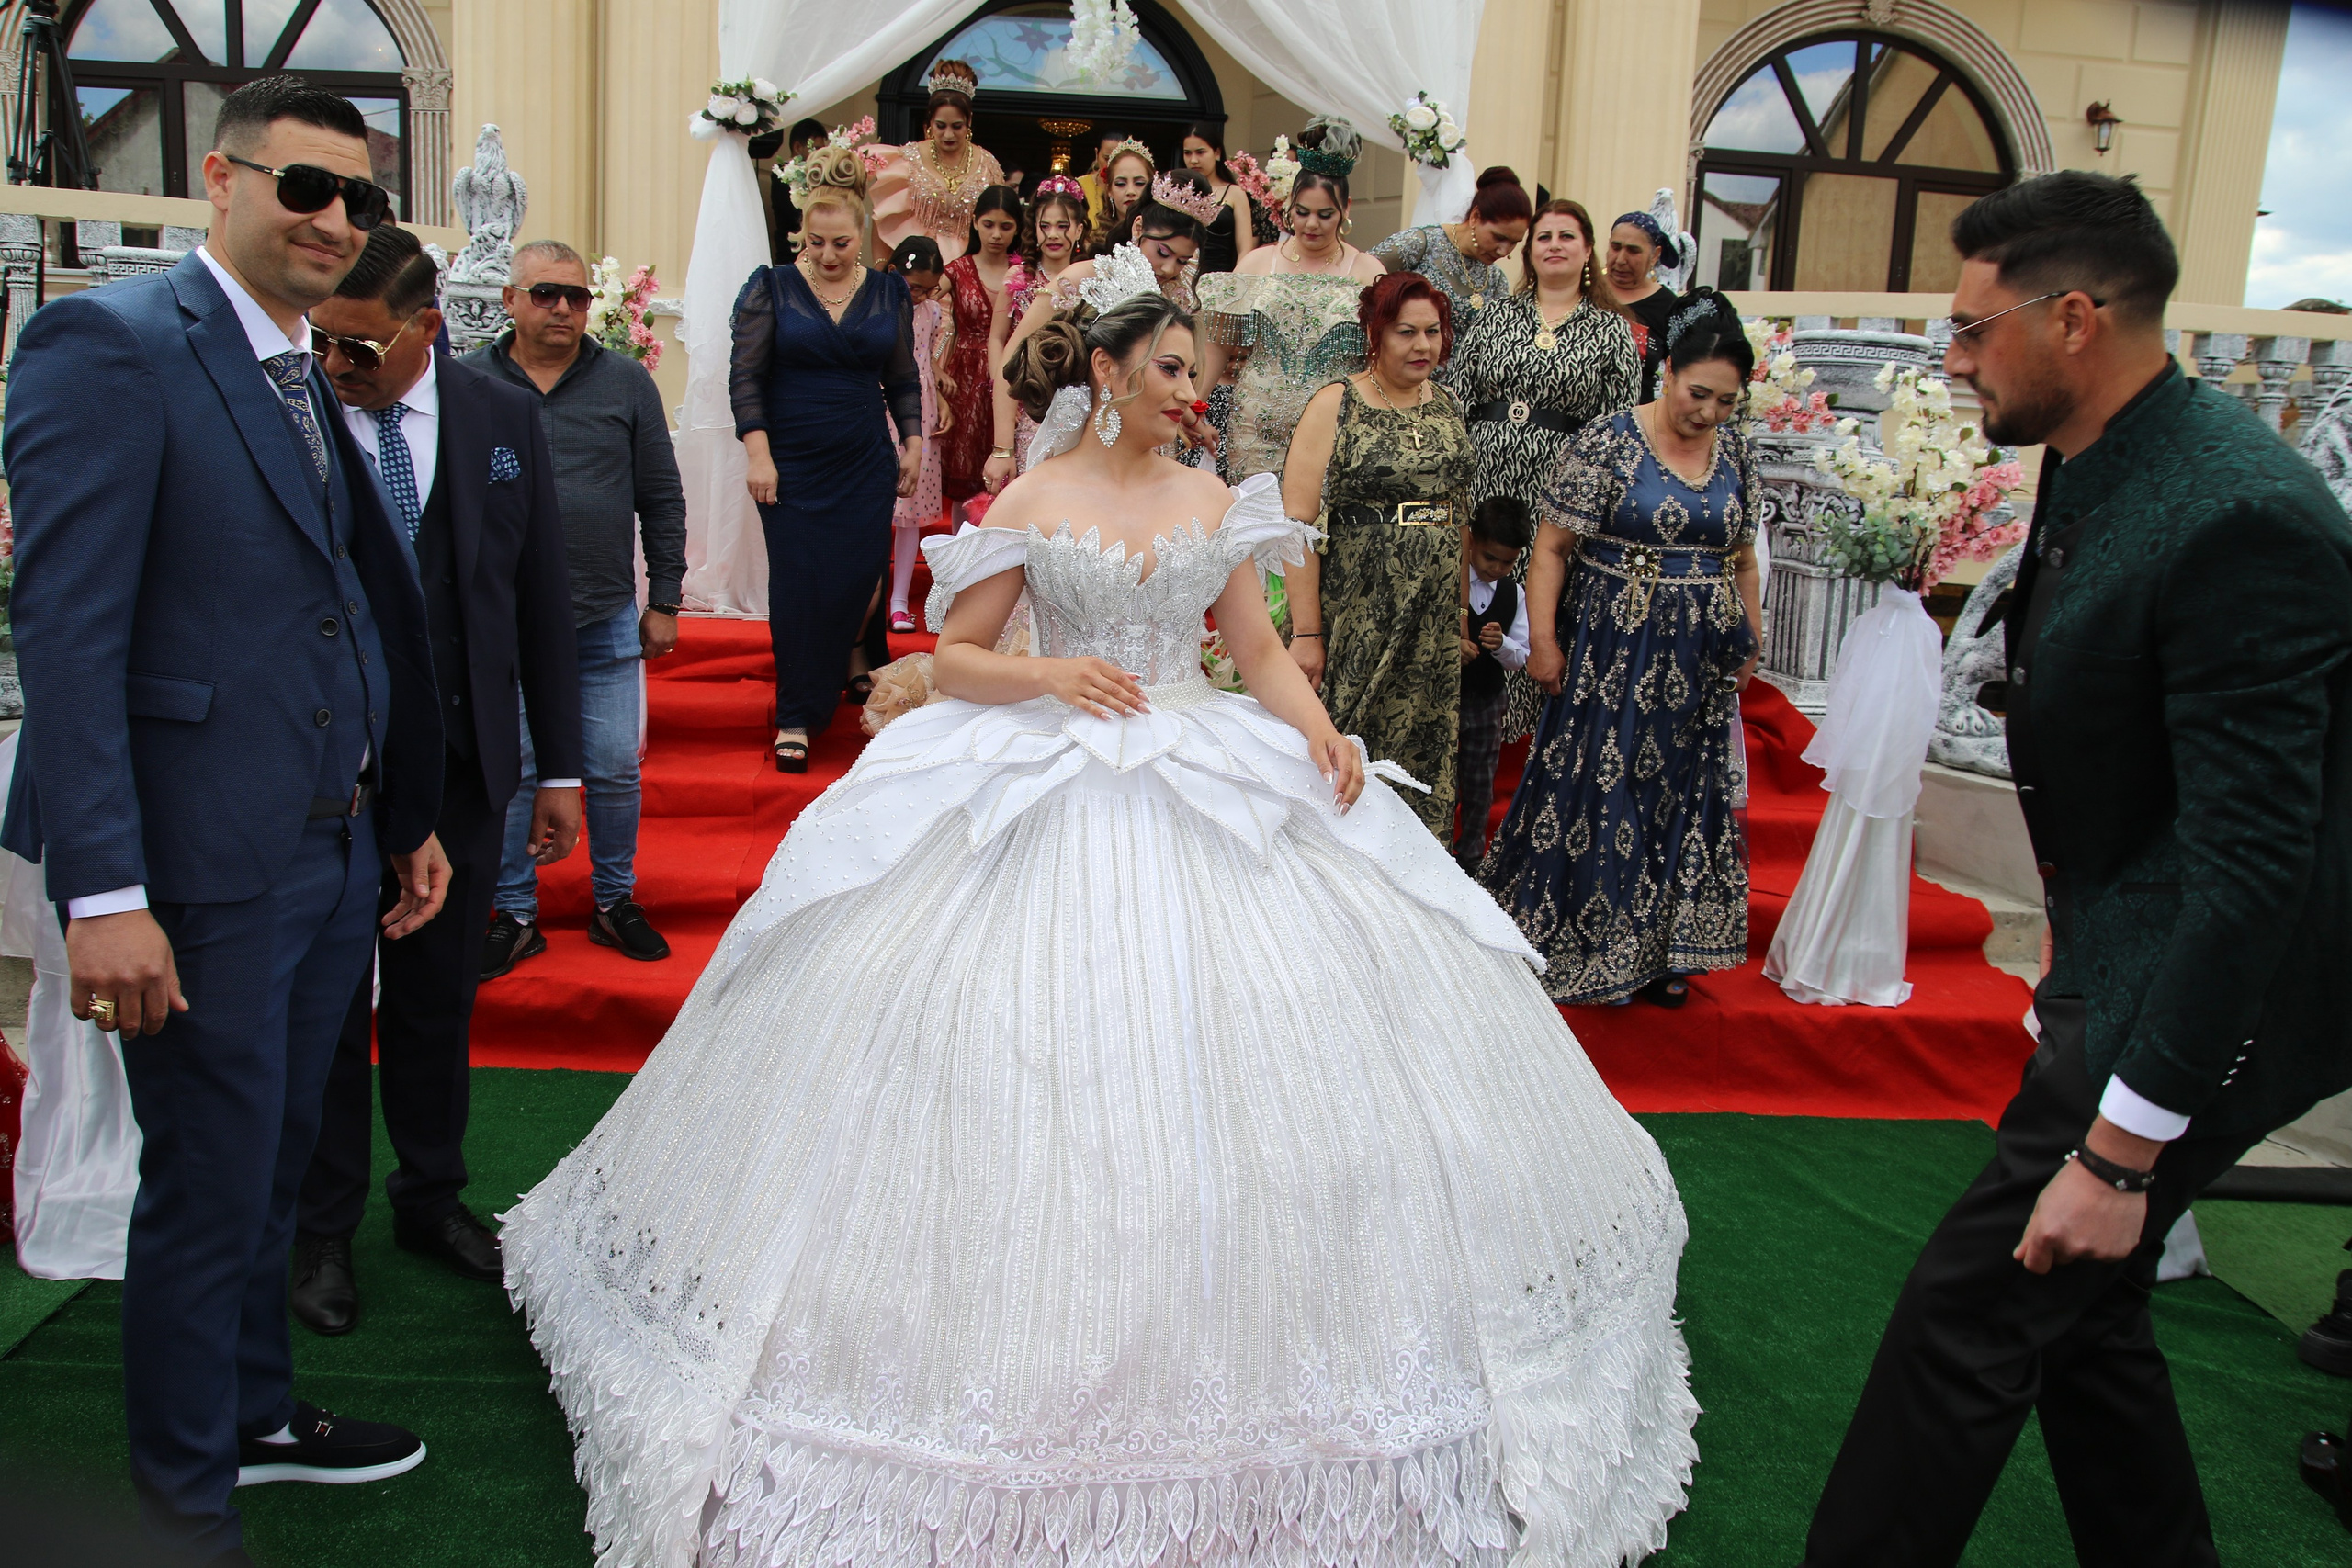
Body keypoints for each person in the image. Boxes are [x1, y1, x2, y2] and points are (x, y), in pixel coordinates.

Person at [499, 273, 1699, 1568]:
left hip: (1196, 746)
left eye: (1197, 373)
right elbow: (952, 658)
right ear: (1111, 375)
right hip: (1047, 756)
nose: (1193, 393)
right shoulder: (1031, 497)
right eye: (1172, 370)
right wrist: (1050, 672)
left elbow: (1258, 645)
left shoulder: (1212, 498)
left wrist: (1320, 731)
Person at [1804, 171, 2352, 1568]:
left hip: (2228, 978)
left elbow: (2253, 868)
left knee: (1975, 1311)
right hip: (2135, 944)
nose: (1952, 359)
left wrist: (2120, 1146)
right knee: (2087, 1314)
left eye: (1972, 329)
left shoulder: (2242, 514)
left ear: (2074, 320)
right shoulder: (2097, 452)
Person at [0, 75, 452, 1560]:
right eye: (303, 186)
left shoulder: (306, 367)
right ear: (220, 177)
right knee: (206, 1185)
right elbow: (70, 639)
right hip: (196, 868)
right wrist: (104, 893)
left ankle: (255, 1415)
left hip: (323, 848)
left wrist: (396, 814)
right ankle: (185, 1506)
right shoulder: (113, 345)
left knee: (272, 1166)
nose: (333, 219)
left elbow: (335, 610)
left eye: (358, 197)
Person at [292, 222, 583, 1334]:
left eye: (358, 347)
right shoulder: (294, 410)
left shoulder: (500, 416)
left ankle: (429, 1196)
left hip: (463, 769)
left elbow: (538, 600)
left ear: (424, 328)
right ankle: (322, 1226)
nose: (335, 364)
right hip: (331, 773)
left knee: (436, 997)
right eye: (322, 341)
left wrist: (560, 767)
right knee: (327, 1006)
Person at [1480, 289, 1762, 1008]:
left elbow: (1743, 557)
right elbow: (1550, 548)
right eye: (1699, 393)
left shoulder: (1735, 452)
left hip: (1699, 656)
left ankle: (1664, 949)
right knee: (1603, 786)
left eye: (1726, 401)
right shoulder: (1605, 441)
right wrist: (1544, 640)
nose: (1708, 412)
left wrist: (1751, 638)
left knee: (1682, 790)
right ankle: (1594, 939)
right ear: (1668, 372)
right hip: (1611, 646)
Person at [467, 239, 687, 975]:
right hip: (501, 620)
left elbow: (661, 496)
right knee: (515, 768)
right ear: (510, 300)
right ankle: (514, 911)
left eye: (576, 295)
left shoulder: (624, 381)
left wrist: (664, 596)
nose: (562, 308)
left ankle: (613, 900)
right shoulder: (468, 381)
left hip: (602, 611)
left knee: (615, 767)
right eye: (544, 294)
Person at [731, 145, 923, 774]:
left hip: (863, 458)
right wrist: (758, 454)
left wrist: (913, 441)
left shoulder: (888, 291)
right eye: (816, 243)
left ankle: (852, 656)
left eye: (841, 243)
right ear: (802, 234)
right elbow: (746, 378)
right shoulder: (772, 287)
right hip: (791, 461)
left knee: (858, 578)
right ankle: (797, 713)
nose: (829, 255)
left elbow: (902, 376)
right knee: (798, 585)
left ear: (862, 232)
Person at [1280, 271, 1477, 840]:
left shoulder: (1447, 403)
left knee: (1423, 739)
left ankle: (1411, 869)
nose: (1423, 345)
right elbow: (1297, 524)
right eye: (1406, 332)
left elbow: (1459, 513)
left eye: (1432, 332)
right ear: (1376, 333)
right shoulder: (1336, 402)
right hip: (1361, 605)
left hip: (1432, 613)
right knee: (1352, 729)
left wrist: (1460, 611)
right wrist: (1308, 632)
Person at [1451, 197, 1640, 743]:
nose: (1554, 245)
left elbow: (1620, 426)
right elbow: (1457, 397)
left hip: (1561, 481)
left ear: (1588, 250)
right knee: (1480, 576)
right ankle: (1472, 712)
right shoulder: (1494, 316)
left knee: (1541, 585)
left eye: (1567, 236)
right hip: (1485, 468)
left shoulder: (1611, 331)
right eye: (1544, 236)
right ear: (1529, 251)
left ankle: (1529, 725)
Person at [1194, 123, 1385, 487]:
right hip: (1255, 426)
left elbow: (1379, 358)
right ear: (1288, 207)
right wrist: (1194, 406)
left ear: (1346, 209)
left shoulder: (1367, 271)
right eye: (1302, 212)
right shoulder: (1257, 263)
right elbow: (1218, 344)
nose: (1311, 224)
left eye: (1325, 214)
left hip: (1335, 427)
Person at [987, 186, 1211, 491]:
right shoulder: (1083, 277)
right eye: (1163, 253)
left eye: (1183, 261)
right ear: (1138, 228)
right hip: (1070, 429)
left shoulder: (1177, 294)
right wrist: (1002, 449)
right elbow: (1012, 359)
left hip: (1144, 442)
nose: (1169, 268)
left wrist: (1191, 418)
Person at [1370, 166, 1532, 352]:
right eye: (1498, 237)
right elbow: (1357, 282)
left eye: (1513, 243)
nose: (1504, 251)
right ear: (1475, 216)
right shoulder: (1420, 244)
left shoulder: (1496, 279)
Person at [1454, 497, 1533, 872]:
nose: (1498, 569)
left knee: (1480, 786)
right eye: (1490, 558)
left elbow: (1522, 656)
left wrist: (1502, 644)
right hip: (1447, 700)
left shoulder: (1513, 594)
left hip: (1488, 699)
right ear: (1471, 540)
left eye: (1508, 562)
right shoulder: (1449, 580)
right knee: (1442, 781)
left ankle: (1471, 860)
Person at [872, 59, 1003, 264]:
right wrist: (881, 269)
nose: (948, 134)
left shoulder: (987, 165)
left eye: (957, 126)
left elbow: (1001, 219)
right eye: (941, 126)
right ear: (930, 123)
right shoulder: (908, 159)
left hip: (970, 265)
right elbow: (884, 220)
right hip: (916, 264)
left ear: (969, 122)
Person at [938, 185, 1023, 502]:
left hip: (1012, 374)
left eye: (1006, 226)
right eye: (988, 224)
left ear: (1018, 228)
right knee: (965, 476)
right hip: (964, 380)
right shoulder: (957, 270)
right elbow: (916, 303)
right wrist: (931, 366)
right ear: (975, 222)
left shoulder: (1024, 273)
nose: (996, 234)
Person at [888, 237, 949, 632]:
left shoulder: (932, 312)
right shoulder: (877, 304)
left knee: (909, 506)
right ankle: (871, 592)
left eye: (930, 289)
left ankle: (899, 599)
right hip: (880, 404)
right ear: (895, 273)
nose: (922, 296)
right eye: (915, 287)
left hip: (920, 410)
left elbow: (929, 364)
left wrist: (941, 400)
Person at [1606, 211, 1685, 402]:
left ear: (1655, 255)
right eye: (1615, 247)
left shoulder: (1668, 306)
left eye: (1633, 251)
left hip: (1633, 415)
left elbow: (1683, 370)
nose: (1621, 259)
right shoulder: (1582, 290)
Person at [1180, 121, 1258, 273]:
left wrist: (1234, 280)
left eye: (1200, 152)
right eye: (1187, 153)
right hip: (1181, 278)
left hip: (1221, 279)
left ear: (1217, 153)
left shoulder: (1235, 193)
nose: (1193, 160)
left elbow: (1244, 249)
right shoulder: (1178, 191)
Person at [1091, 137, 1157, 246]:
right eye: (1121, 184)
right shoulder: (1093, 241)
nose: (1130, 191)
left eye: (1139, 183)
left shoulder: (1163, 237)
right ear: (1109, 190)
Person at [1074, 127, 1125, 224]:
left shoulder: (1132, 190)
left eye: (1117, 159)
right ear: (1097, 154)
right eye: (1106, 158)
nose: (1111, 165)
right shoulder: (1079, 186)